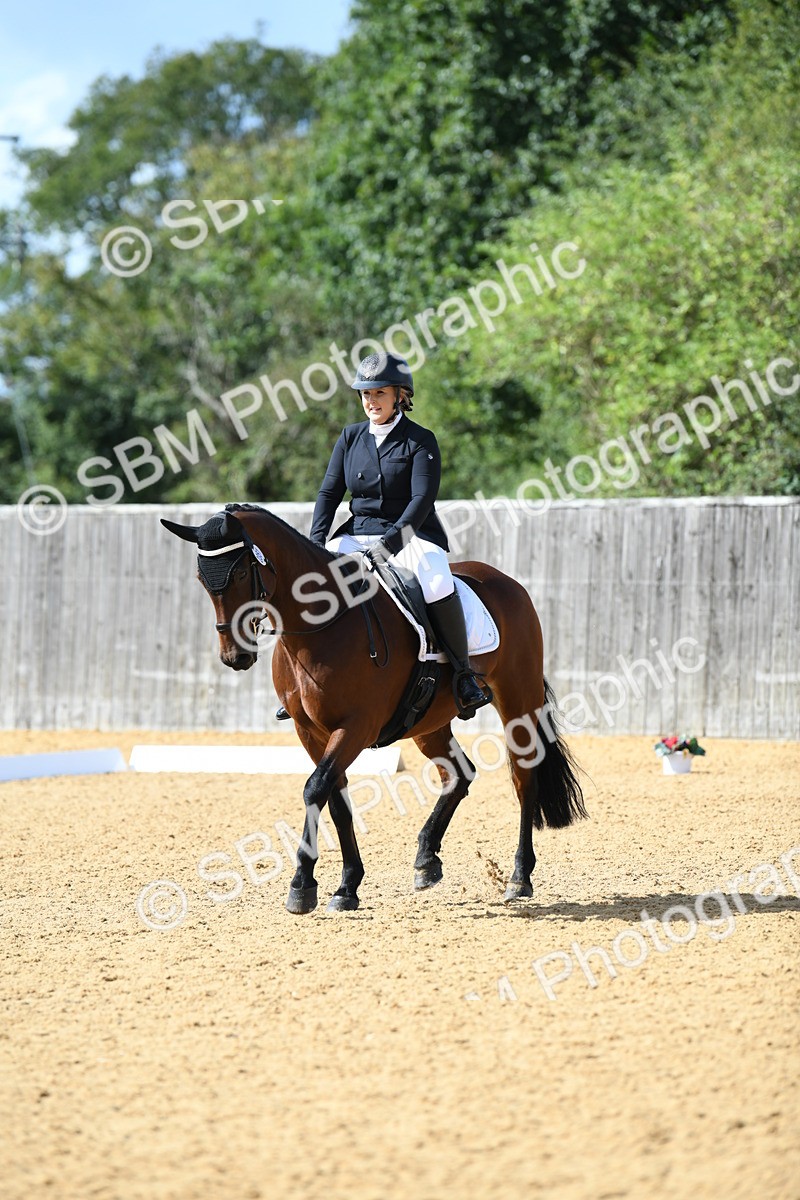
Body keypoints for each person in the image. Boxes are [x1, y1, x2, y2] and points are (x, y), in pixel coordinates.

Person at [275, 351, 491, 720]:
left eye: (379, 393)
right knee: (310, 582)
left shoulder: (420, 440)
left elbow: (421, 500)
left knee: (437, 583)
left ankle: (463, 675)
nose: (371, 402)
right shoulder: (350, 437)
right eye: (366, 394)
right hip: (356, 532)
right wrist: (315, 543)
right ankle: (298, 680)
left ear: (400, 396)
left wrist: (389, 545)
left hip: (411, 535)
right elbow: (329, 493)